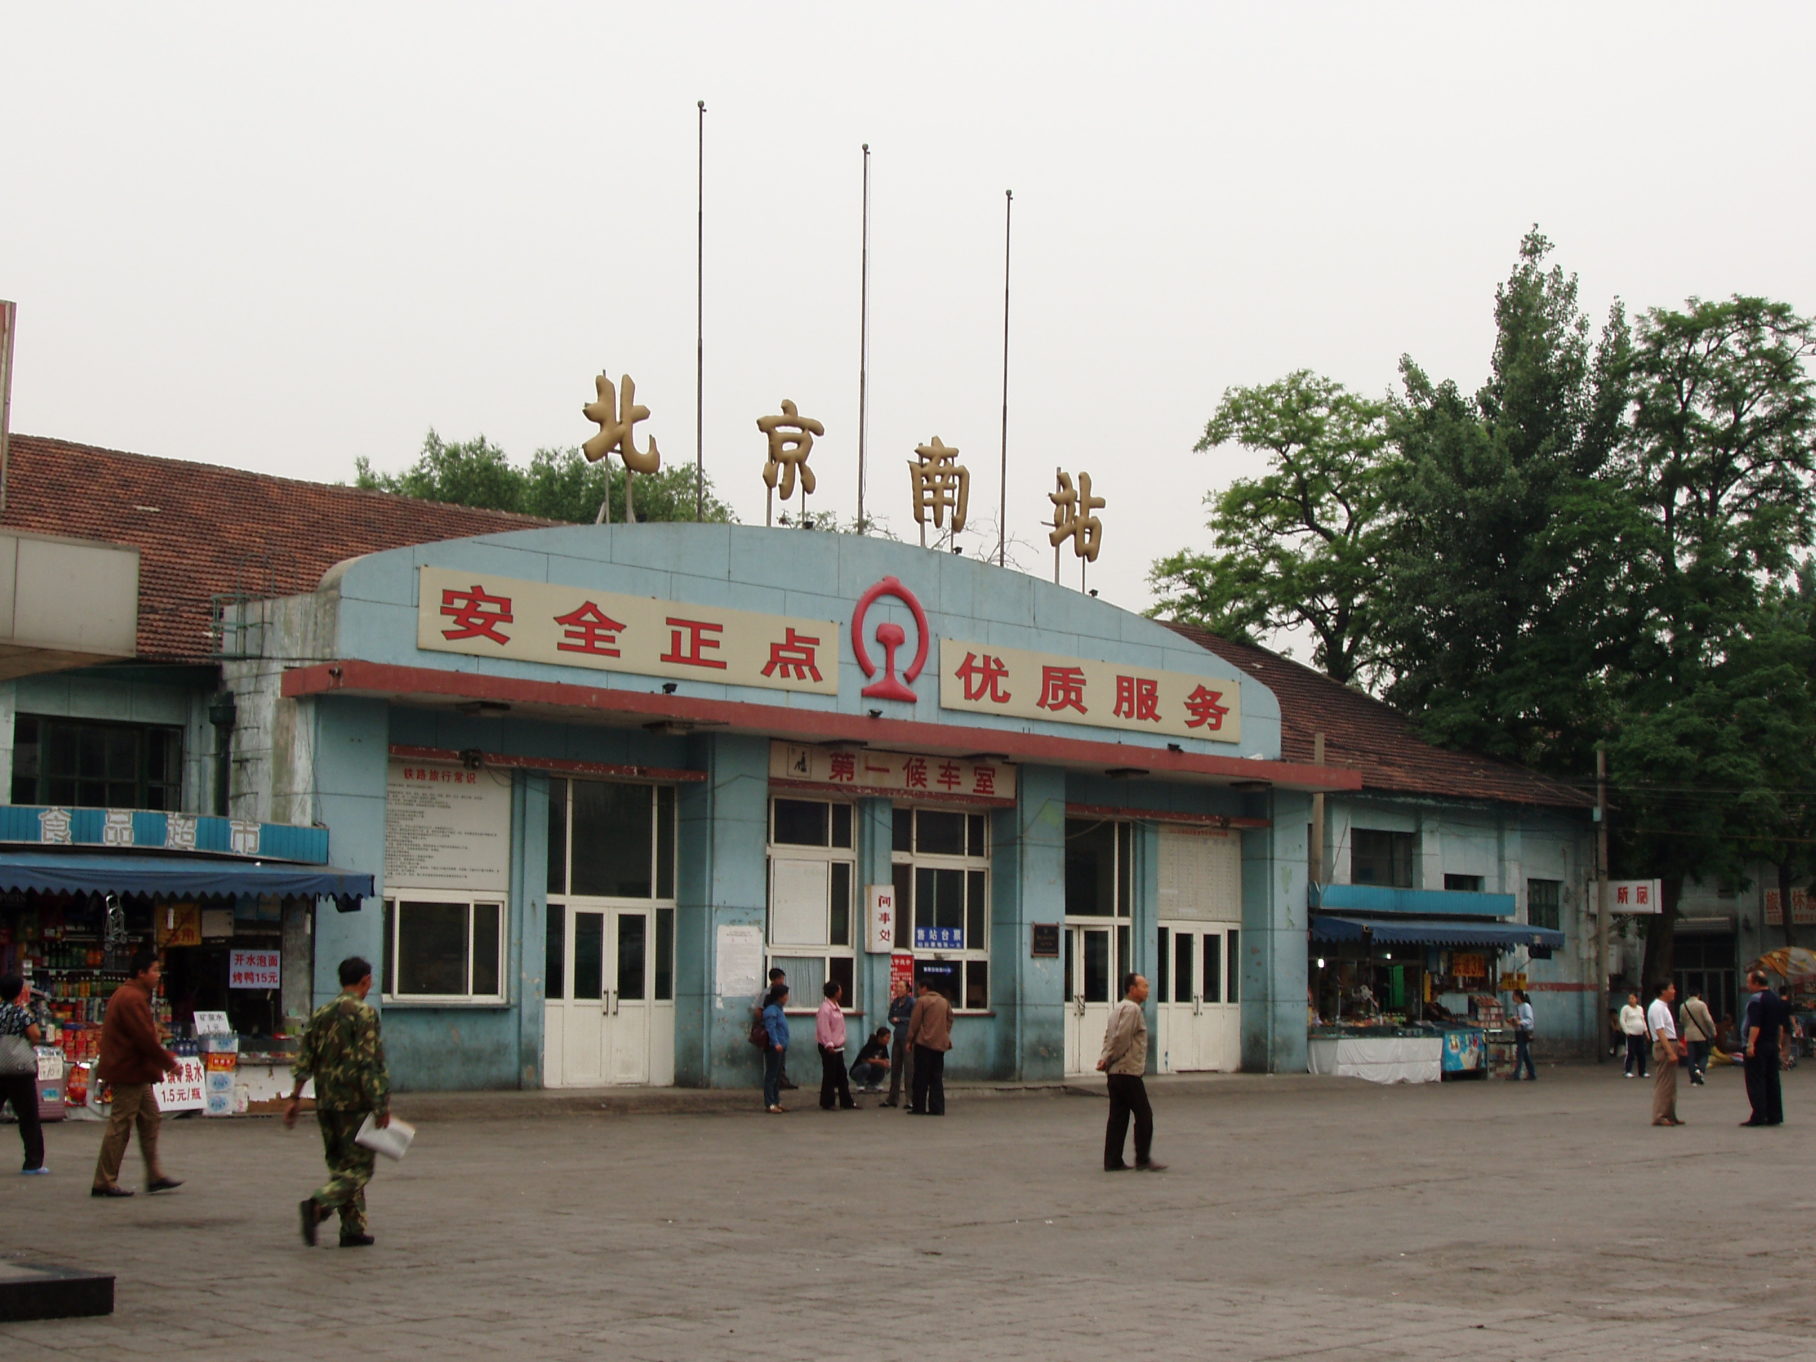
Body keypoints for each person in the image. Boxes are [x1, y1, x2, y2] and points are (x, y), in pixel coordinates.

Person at [285, 956, 391, 1248]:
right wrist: (381, 1104)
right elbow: (370, 1063)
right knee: (360, 1169)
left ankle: (353, 1228)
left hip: (327, 1102)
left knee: (340, 1165)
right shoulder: (365, 1013)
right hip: (355, 1103)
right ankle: (318, 1203)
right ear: (365, 980)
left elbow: (305, 1057)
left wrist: (295, 1097)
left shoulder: (321, 1013)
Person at [90, 948, 182, 1198]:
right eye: (154, 970)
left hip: (136, 1072)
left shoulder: (132, 995)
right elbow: (143, 1038)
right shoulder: (131, 998)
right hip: (128, 1070)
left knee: (151, 1117)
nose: (158, 975)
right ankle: (104, 1180)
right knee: (120, 1125)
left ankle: (154, 1175)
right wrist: (169, 1063)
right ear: (141, 973)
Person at [1098, 972, 1165, 1172]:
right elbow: (1121, 1038)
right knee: (1144, 1115)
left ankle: (1113, 1160)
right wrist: (1109, 1057)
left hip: (1115, 1072)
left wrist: (1104, 1058)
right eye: (1143, 986)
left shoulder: (1118, 1008)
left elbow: (1108, 1036)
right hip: (1127, 1071)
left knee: (1118, 1116)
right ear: (1132, 989)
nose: (1147, 990)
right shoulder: (1132, 1010)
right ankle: (1142, 1159)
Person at [0, 974, 47, 1175]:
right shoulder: (22, 1013)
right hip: (19, 1071)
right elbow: (35, 1035)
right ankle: (32, 1163)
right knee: (28, 1117)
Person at [1741, 970, 1789, 1127]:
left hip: (1759, 1045)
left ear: (1756, 983)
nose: (1747, 986)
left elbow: (1755, 1024)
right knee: (1772, 1079)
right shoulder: (1775, 998)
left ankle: (1759, 1115)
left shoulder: (1756, 999)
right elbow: (1780, 1024)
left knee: (1756, 1080)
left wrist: (1750, 1044)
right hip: (1771, 1043)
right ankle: (1774, 1114)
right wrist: (1779, 1042)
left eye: (1749, 982)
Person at [906, 978, 953, 1116]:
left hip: (923, 1044)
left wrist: (909, 1040)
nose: (918, 991)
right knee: (936, 1077)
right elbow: (950, 1019)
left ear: (925, 988)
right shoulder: (945, 1002)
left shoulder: (922, 1001)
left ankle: (919, 1107)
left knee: (921, 1077)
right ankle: (937, 1108)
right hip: (940, 1045)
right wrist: (944, 1033)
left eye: (919, 988)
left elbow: (915, 1022)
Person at [1646, 980, 1686, 1127]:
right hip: (1664, 1046)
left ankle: (1670, 1114)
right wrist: (1670, 1051)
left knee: (1671, 1083)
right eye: (1671, 988)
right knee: (1664, 1083)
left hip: (1670, 1043)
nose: (1674, 991)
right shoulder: (1657, 1007)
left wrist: (1677, 1044)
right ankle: (1660, 1115)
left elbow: (1667, 1030)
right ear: (1663, 991)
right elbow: (1660, 1031)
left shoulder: (1664, 1007)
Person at [816, 980, 860, 1111]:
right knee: (830, 1074)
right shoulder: (825, 1009)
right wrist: (828, 1044)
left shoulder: (836, 1006)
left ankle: (846, 1101)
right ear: (835, 992)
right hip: (829, 1046)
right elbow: (824, 1028)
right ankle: (827, 1102)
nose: (841, 992)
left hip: (838, 1046)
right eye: (839, 990)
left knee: (841, 1074)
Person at [754, 967, 798, 1091]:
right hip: (772, 1034)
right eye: (780, 978)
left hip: (779, 1034)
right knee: (772, 1064)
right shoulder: (767, 995)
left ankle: (781, 1082)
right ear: (773, 980)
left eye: (783, 978)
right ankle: (772, 1093)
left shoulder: (778, 1005)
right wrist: (765, 1024)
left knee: (780, 1062)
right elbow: (758, 1011)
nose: (782, 981)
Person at [881, 978, 916, 1108]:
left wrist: (900, 1019)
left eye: (901, 987)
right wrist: (894, 1020)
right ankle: (892, 1098)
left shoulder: (912, 1002)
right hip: (897, 1037)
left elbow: (914, 1019)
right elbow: (890, 1017)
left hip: (908, 1038)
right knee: (895, 1068)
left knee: (909, 1069)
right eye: (897, 987)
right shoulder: (895, 1002)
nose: (898, 989)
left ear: (907, 989)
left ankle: (910, 1099)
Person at [1678, 985, 1717, 1087]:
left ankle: (1694, 1079)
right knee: (1704, 1055)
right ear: (1698, 994)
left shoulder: (1683, 1006)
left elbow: (1681, 1021)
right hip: (1701, 1035)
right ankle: (1700, 1070)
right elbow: (1708, 1020)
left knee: (1691, 1057)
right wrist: (1713, 1032)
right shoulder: (1701, 1005)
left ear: (1688, 995)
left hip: (1689, 1036)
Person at [760, 984, 790, 1114]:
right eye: (786, 995)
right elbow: (771, 1029)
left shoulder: (779, 1010)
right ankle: (770, 1103)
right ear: (779, 997)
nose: (787, 998)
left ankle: (776, 1101)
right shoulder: (771, 1011)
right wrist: (776, 1043)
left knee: (778, 1076)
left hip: (781, 1047)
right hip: (774, 1047)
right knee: (771, 1075)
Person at [849, 1027, 891, 1093]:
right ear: (880, 1037)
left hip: (871, 1070)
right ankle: (860, 1084)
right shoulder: (870, 1045)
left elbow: (886, 1058)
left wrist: (887, 1063)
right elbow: (865, 1060)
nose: (888, 1040)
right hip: (857, 1071)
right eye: (887, 1037)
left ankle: (873, 1083)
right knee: (866, 1066)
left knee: (883, 1066)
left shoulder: (883, 1046)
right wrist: (880, 1061)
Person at [1619, 991, 1649, 1078]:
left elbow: (1643, 1020)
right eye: (1629, 998)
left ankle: (1642, 1071)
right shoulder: (1626, 1008)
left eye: (1632, 998)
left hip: (1639, 1034)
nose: (1631, 1000)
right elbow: (1622, 1020)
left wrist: (1646, 1031)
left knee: (1641, 1053)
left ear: (1636, 999)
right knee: (1630, 1052)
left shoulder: (1640, 1008)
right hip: (1631, 1034)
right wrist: (1626, 1031)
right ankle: (1627, 1070)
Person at [1508, 989, 1537, 1080]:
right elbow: (1516, 1017)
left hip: (1524, 1032)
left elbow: (1529, 1020)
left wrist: (1520, 1022)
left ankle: (1516, 1074)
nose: (1512, 997)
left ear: (1518, 996)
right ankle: (1532, 1073)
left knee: (1520, 1053)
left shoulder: (1526, 1006)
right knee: (1525, 1054)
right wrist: (1512, 1020)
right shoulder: (1516, 1006)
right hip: (1518, 1031)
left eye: (1513, 995)